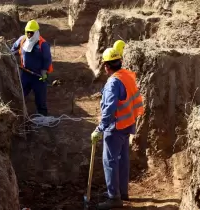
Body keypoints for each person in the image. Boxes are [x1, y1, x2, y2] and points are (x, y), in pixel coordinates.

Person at [91, 48, 144, 209]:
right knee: (122, 159)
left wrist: (100, 128)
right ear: (120, 62)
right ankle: (122, 191)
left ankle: (114, 197)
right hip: (128, 124)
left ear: (107, 66)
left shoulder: (113, 82)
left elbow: (109, 109)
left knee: (110, 161)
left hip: (116, 126)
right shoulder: (127, 75)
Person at [11, 19, 53, 116]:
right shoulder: (22, 39)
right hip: (25, 74)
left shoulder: (43, 44)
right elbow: (13, 49)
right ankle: (18, 113)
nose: (29, 34)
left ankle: (42, 115)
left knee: (40, 97)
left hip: (38, 75)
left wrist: (44, 71)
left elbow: (47, 59)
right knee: (21, 94)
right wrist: (11, 55)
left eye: (31, 32)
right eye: (28, 32)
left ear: (36, 32)